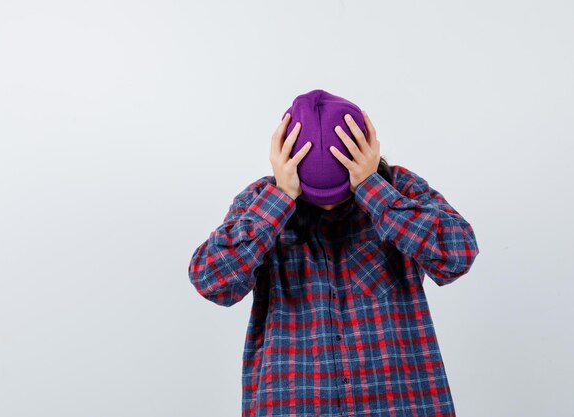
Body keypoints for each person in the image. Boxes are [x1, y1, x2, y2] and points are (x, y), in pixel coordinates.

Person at [188, 89, 480, 417]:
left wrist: (373, 191)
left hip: (399, 402)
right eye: (315, 194)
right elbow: (211, 281)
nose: (327, 204)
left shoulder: (399, 190)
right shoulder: (260, 201)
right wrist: (280, 199)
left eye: (339, 194)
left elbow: (458, 255)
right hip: (294, 404)